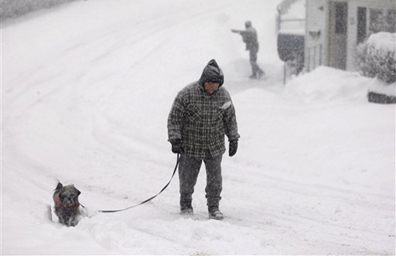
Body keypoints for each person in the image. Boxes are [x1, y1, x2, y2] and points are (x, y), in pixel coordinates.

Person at [167, 59, 240, 220]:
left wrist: (233, 138)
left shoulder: (223, 95)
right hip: (190, 145)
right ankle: (186, 204)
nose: (214, 88)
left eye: (217, 85)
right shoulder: (187, 94)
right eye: (211, 84)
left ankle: (213, 207)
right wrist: (175, 139)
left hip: (214, 146)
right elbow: (174, 118)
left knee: (215, 180)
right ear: (204, 81)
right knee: (187, 178)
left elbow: (230, 119)